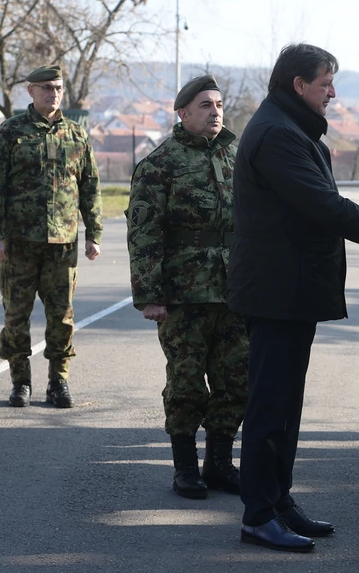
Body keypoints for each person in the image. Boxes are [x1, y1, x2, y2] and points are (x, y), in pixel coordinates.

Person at [229, 43, 359, 553]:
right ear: (299, 85)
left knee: (286, 406)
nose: (333, 93)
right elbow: (324, 205)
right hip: (276, 292)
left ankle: (278, 501)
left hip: (290, 291)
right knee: (269, 409)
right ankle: (258, 515)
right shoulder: (277, 134)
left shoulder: (290, 127)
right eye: (326, 83)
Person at [127, 74, 248, 500]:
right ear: (183, 113)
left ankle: (219, 463)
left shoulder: (238, 156)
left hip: (235, 290)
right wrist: (150, 295)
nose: (215, 112)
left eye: (219, 105)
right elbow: (144, 232)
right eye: (205, 105)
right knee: (186, 383)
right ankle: (185, 468)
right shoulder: (161, 163)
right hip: (184, 293)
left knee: (237, 379)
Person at [0, 65, 102, 409]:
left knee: (62, 317)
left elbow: (90, 186)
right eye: (46, 88)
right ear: (31, 91)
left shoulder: (76, 135)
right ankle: (20, 381)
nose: (53, 94)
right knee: (16, 316)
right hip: (19, 245)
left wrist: (93, 233)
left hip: (62, 245)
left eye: (58, 88)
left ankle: (58, 380)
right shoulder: (10, 132)